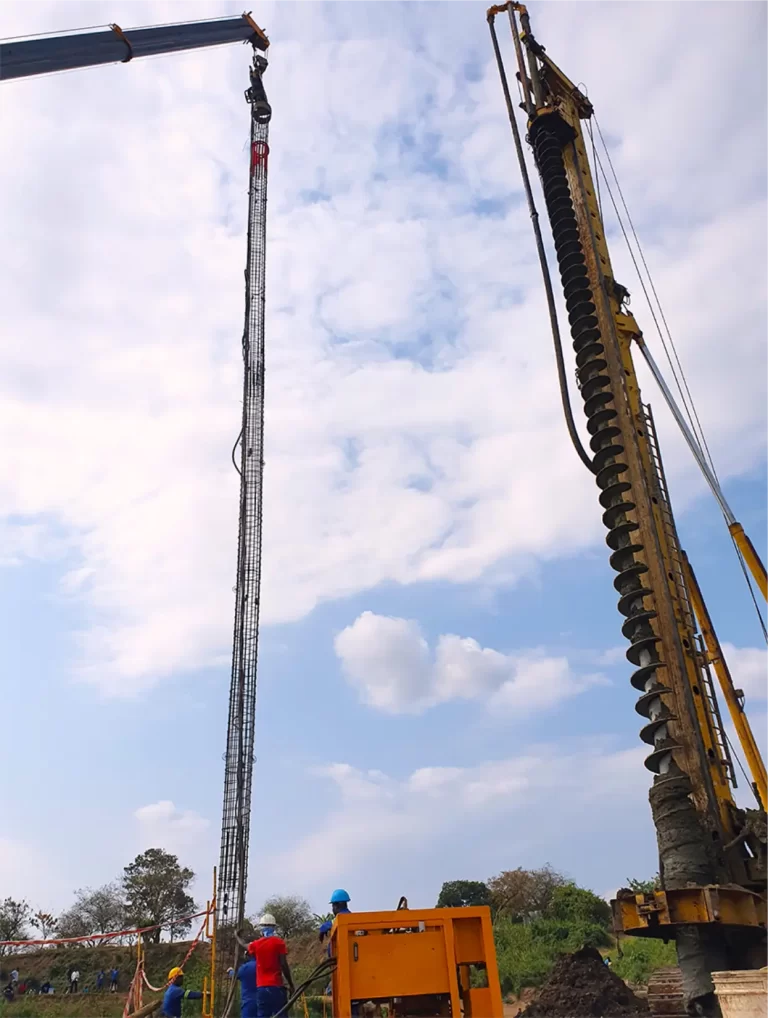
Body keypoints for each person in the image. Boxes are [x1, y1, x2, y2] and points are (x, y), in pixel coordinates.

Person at [247, 913, 295, 1018]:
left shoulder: (256, 944)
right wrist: (291, 985)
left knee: (263, 1015)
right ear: (274, 927)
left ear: (261, 928)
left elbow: (247, 947)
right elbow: (283, 964)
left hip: (262, 988)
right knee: (281, 1014)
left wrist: (237, 937)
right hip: (276, 987)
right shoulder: (279, 943)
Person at [236, 952, 259, 1018]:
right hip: (262, 1000)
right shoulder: (262, 965)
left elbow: (235, 976)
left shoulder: (244, 968)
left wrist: (230, 971)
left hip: (248, 1002)